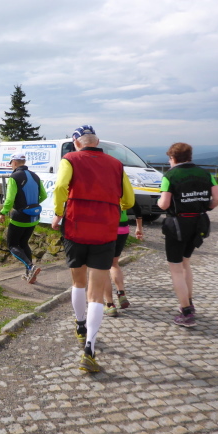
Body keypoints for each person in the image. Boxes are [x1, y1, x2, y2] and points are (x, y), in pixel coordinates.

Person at [51, 125, 135, 373]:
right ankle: (89, 349)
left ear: (77, 143)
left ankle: (80, 325)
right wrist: (115, 204)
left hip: (76, 227)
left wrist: (58, 213)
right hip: (105, 230)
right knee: (96, 293)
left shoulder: (70, 159)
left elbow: (60, 187)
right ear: (97, 142)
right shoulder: (116, 164)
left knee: (78, 282)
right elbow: (129, 200)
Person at [157, 142, 218, 327]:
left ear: (173, 158)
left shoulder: (170, 176)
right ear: (190, 156)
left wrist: (159, 201)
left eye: (169, 159)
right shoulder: (205, 174)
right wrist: (206, 207)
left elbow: (164, 204)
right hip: (199, 222)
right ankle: (188, 302)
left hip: (177, 224)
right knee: (186, 262)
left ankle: (186, 312)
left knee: (176, 268)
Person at [0, 151, 47, 284]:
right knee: (24, 243)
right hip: (34, 216)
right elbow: (44, 195)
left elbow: (9, 199)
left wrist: (3, 212)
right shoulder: (35, 176)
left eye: (11, 163)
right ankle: (29, 274)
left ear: (14, 162)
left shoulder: (14, 177)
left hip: (20, 217)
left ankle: (30, 267)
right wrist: (31, 205)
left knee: (12, 244)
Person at [103, 204, 144, 317]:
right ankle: (121, 293)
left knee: (103, 268)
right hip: (122, 228)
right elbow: (136, 207)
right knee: (114, 263)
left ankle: (110, 304)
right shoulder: (124, 190)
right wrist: (139, 227)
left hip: (106, 227)